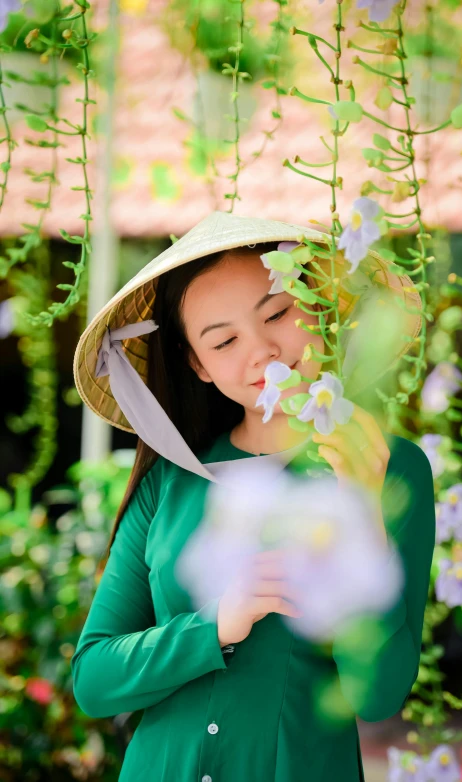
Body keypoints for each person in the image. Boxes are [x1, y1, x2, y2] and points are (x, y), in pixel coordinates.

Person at [70, 210, 436, 782]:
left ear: (317, 306)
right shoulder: (169, 480)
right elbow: (94, 681)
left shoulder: (389, 468)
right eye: (224, 341)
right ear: (199, 365)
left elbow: (378, 695)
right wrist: (214, 626)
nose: (262, 351)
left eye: (279, 313)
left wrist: (363, 513)